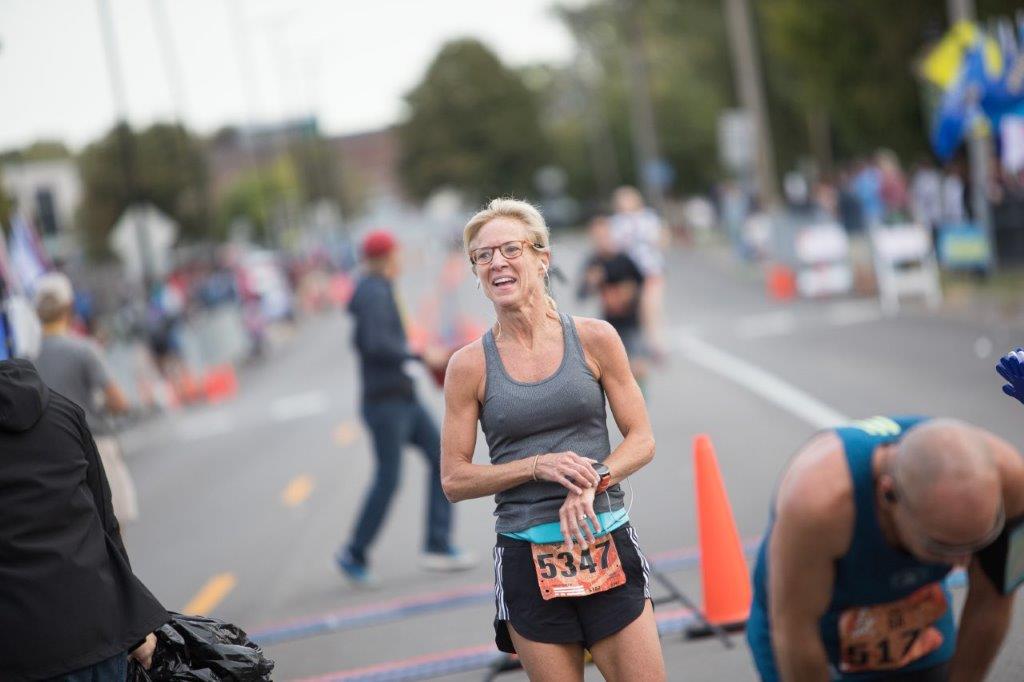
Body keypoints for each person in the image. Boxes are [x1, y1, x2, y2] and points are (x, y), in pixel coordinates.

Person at [442, 199, 666, 681]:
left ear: (542, 258)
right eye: (483, 256)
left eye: (510, 249)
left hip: (606, 541)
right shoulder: (468, 366)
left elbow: (642, 439)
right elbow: (454, 479)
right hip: (526, 558)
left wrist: (594, 479)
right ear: (476, 272)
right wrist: (536, 465)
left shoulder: (595, 338)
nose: (497, 262)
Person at [747, 416, 1024, 681]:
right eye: (941, 546)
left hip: (914, 613)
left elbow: (994, 599)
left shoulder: (1012, 483)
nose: (961, 563)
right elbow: (796, 631)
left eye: (977, 543)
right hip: (812, 626)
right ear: (887, 495)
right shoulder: (818, 506)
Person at [0, 359, 167, 680]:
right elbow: (106, 525)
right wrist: (134, 627)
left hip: (21, 648)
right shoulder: (64, 412)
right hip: (99, 630)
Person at [336, 229, 476, 587]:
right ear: (385, 257)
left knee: (442, 459)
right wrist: (420, 355)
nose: (400, 259)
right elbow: (375, 344)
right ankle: (354, 552)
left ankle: (437, 544)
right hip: (386, 402)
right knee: (389, 478)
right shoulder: (373, 293)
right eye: (396, 253)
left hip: (401, 396)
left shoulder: (379, 287)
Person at [33, 272, 139, 524]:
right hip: (95, 444)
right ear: (69, 307)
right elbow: (119, 402)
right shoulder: (83, 349)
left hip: (53, 456)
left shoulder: (29, 359)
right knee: (114, 523)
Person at [577, 215, 648, 387]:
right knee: (614, 371)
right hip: (609, 323)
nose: (601, 240)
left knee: (638, 366)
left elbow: (642, 282)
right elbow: (581, 294)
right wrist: (591, 282)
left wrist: (630, 291)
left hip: (631, 320)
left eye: (604, 235)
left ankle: (642, 398)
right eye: (597, 237)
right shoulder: (593, 262)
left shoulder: (624, 259)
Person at [610, 186, 668, 360]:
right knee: (632, 310)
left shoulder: (648, 218)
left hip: (650, 269)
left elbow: (662, 239)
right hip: (628, 274)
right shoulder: (616, 222)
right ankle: (637, 343)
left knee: (650, 307)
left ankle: (656, 344)